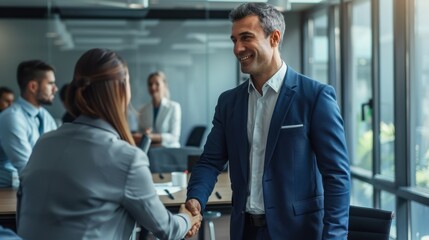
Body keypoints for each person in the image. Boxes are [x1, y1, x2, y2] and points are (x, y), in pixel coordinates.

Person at [185, 3, 350, 240]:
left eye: (246, 38)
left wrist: (334, 236)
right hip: (245, 230)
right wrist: (196, 198)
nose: (238, 48)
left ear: (274, 38)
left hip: (299, 232)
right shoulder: (229, 102)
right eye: (234, 40)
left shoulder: (314, 97)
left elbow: (336, 175)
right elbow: (210, 161)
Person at [17, 48, 202, 240]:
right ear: (122, 90)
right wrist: (188, 217)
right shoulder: (126, 158)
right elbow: (168, 230)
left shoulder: (43, 143)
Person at [0, 60, 57, 188]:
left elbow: (55, 157)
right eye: (50, 84)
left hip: (30, 187)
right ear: (33, 87)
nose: (55, 89)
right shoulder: (11, 118)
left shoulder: (45, 116)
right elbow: (26, 168)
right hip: (6, 192)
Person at [138, 71, 181, 148]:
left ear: (165, 86)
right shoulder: (143, 109)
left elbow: (174, 137)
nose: (153, 87)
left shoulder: (174, 107)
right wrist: (145, 133)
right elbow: (140, 133)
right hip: (150, 150)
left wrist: (151, 136)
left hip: (169, 151)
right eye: (150, 84)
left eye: (157, 84)